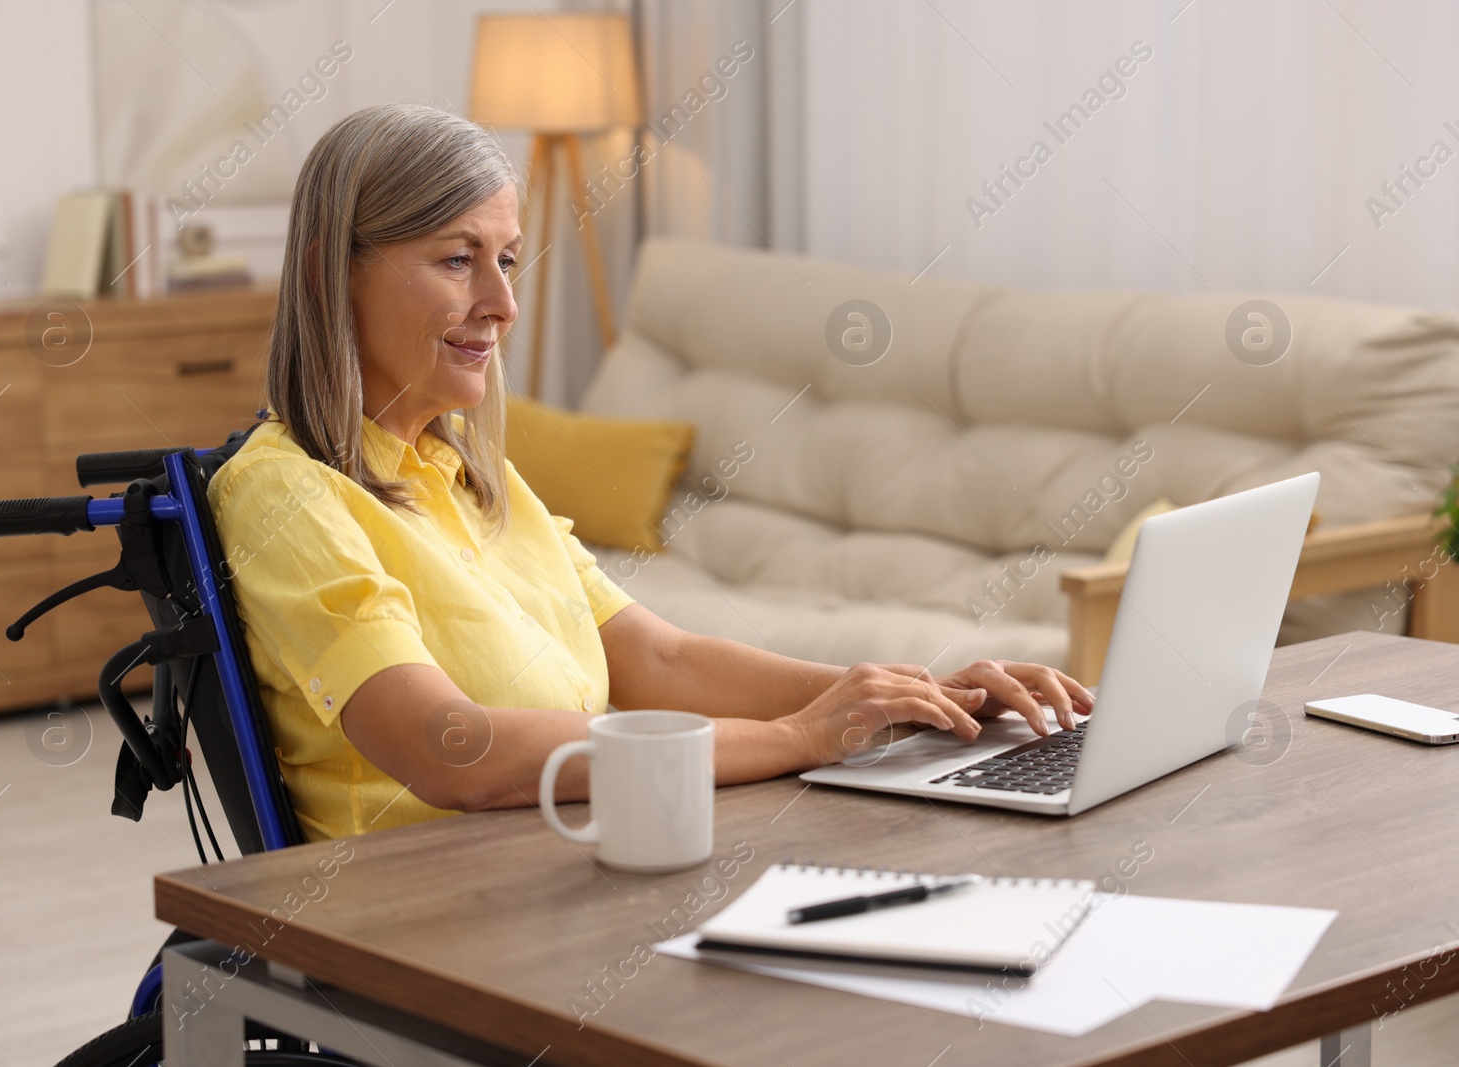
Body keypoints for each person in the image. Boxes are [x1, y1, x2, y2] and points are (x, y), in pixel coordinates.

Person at [209, 103, 1093, 842]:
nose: (504, 304)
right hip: (430, 916)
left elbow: (657, 657)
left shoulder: (474, 476)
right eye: (457, 258)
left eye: (508, 260)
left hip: (571, 861)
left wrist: (921, 695)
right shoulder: (287, 491)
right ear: (336, 271)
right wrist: (795, 735)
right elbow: (456, 750)